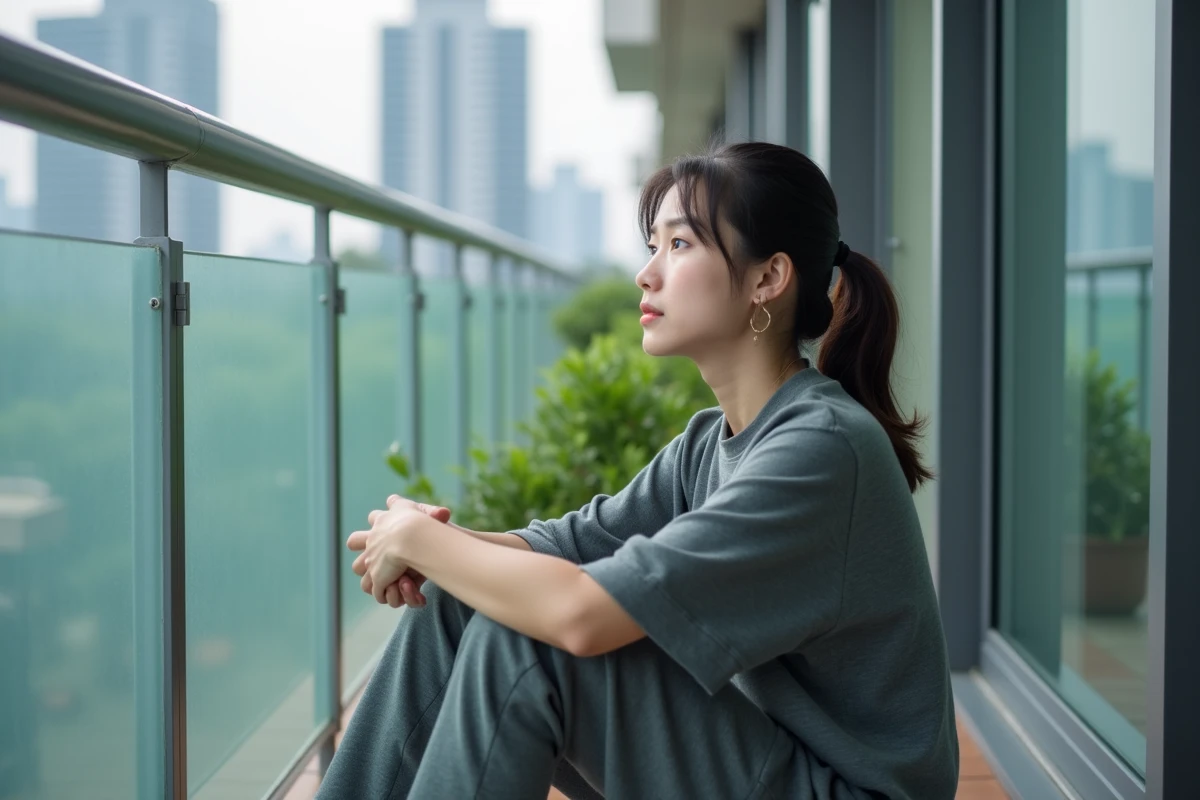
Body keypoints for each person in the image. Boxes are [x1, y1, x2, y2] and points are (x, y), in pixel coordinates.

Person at [317, 142, 959, 799]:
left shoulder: (820, 452)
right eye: (654, 245)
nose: (645, 275)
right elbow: (559, 547)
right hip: (767, 767)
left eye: (679, 245)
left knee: (532, 647)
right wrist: (430, 547)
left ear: (768, 278)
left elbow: (579, 616)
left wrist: (425, 543)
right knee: (458, 599)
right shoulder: (710, 444)